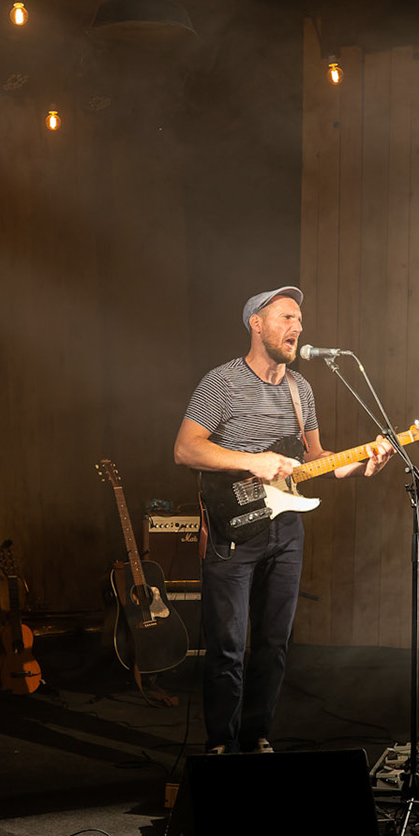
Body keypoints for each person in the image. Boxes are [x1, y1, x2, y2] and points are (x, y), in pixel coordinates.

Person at [173, 286, 392, 754]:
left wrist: (359, 462)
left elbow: (314, 458)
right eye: (286, 318)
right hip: (232, 526)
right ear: (256, 323)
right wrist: (253, 462)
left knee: (274, 644)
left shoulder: (300, 388)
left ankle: (255, 738)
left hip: (285, 528)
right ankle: (220, 745)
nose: (297, 328)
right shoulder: (222, 383)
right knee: (228, 647)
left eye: (299, 320)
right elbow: (186, 448)